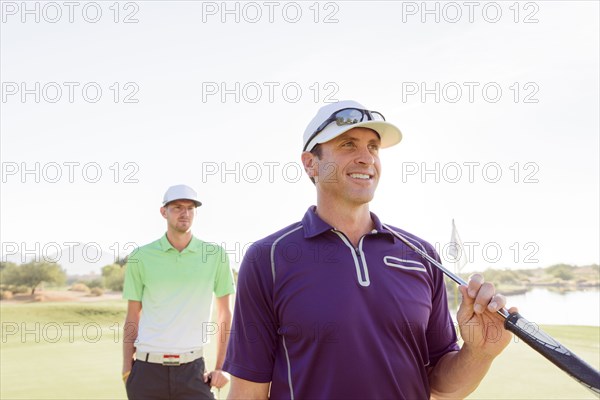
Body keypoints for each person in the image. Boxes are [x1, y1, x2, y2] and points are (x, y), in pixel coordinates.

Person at [223, 100, 516, 399]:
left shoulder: (421, 256)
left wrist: (480, 353)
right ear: (310, 162)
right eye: (348, 144)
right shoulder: (267, 258)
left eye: (373, 147)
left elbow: (441, 387)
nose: (366, 158)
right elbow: (248, 392)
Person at [122, 184, 235, 400]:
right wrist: (127, 369)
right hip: (147, 372)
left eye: (190, 208)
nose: (185, 213)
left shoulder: (216, 255)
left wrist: (222, 366)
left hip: (193, 372)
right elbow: (132, 315)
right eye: (177, 207)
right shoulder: (140, 257)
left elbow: (225, 315)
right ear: (163, 212)